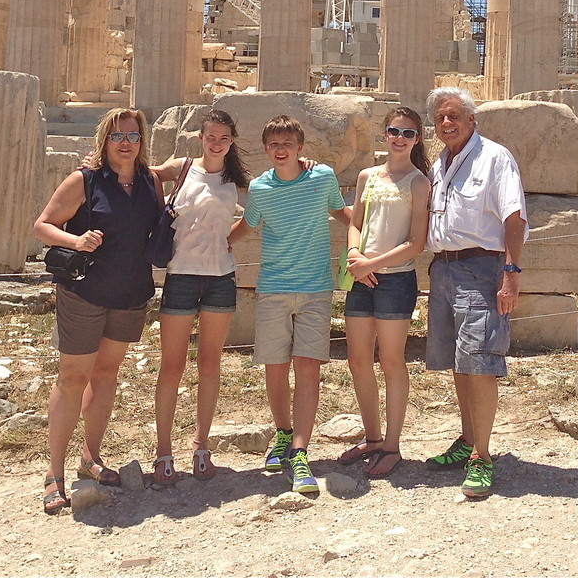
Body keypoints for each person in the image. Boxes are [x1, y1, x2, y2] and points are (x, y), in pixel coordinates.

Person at [33, 108, 160, 515]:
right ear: (104, 140)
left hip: (130, 293)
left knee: (106, 375)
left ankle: (90, 457)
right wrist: (75, 241)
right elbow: (43, 225)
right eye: (117, 136)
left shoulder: (150, 182)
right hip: (84, 292)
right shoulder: (83, 180)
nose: (126, 142)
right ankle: (54, 473)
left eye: (133, 136)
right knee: (72, 378)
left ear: (142, 142)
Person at [229, 114, 351, 495]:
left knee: (309, 368)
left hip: (316, 288)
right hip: (274, 288)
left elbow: (342, 213)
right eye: (274, 145)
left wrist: (378, 232)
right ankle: (283, 432)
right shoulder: (260, 189)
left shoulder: (322, 177)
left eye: (288, 144)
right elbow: (245, 227)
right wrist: (205, 242)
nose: (281, 150)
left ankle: (300, 449)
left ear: (300, 147)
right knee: (276, 368)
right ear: (266, 149)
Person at [422, 86, 527, 499]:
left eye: (453, 116)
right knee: (459, 362)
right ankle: (467, 440)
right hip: (444, 270)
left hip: (482, 269)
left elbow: (514, 216)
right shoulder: (439, 163)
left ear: (471, 120)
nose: (446, 123)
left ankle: (482, 457)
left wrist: (511, 273)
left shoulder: (494, 157)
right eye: (439, 119)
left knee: (480, 362)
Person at [147, 110, 250, 485]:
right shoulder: (183, 166)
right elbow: (149, 176)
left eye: (224, 138)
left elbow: (256, 214)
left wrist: (230, 239)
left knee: (210, 363)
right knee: (171, 366)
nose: (217, 143)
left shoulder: (235, 179)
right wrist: (161, 214)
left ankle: (201, 445)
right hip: (181, 276)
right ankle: (163, 452)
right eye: (211, 136)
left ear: (232, 140)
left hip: (220, 276)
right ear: (201, 137)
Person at [339, 106, 431, 478]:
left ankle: (393, 446)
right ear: (385, 134)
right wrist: (354, 254)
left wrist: (371, 265)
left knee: (391, 362)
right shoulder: (367, 176)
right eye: (394, 131)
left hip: (394, 279)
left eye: (407, 133)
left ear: (417, 139)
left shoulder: (419, 182)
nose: (399, 138)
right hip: (361, 276)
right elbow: (355, 223)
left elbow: (416, 242)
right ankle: (373, 438)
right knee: (358, 360)